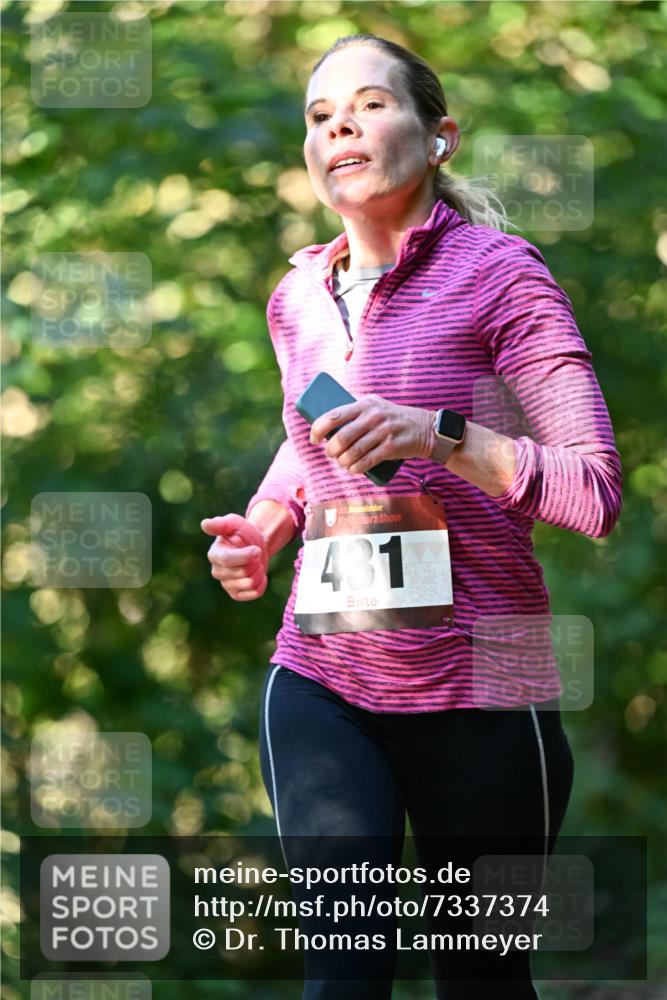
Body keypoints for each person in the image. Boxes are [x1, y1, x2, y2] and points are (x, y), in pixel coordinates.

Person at [201, 34, 622, 1000]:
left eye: (368, 103)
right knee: (343, 980)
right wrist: (268, 521)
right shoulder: (296, 295)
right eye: (317, 115)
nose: (338, 123)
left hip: (482, 680)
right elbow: (311, 432)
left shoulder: (500, 277)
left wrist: (438, 435)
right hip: (324, 676)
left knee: (480, 981)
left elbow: (591, 489)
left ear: (439, 139)